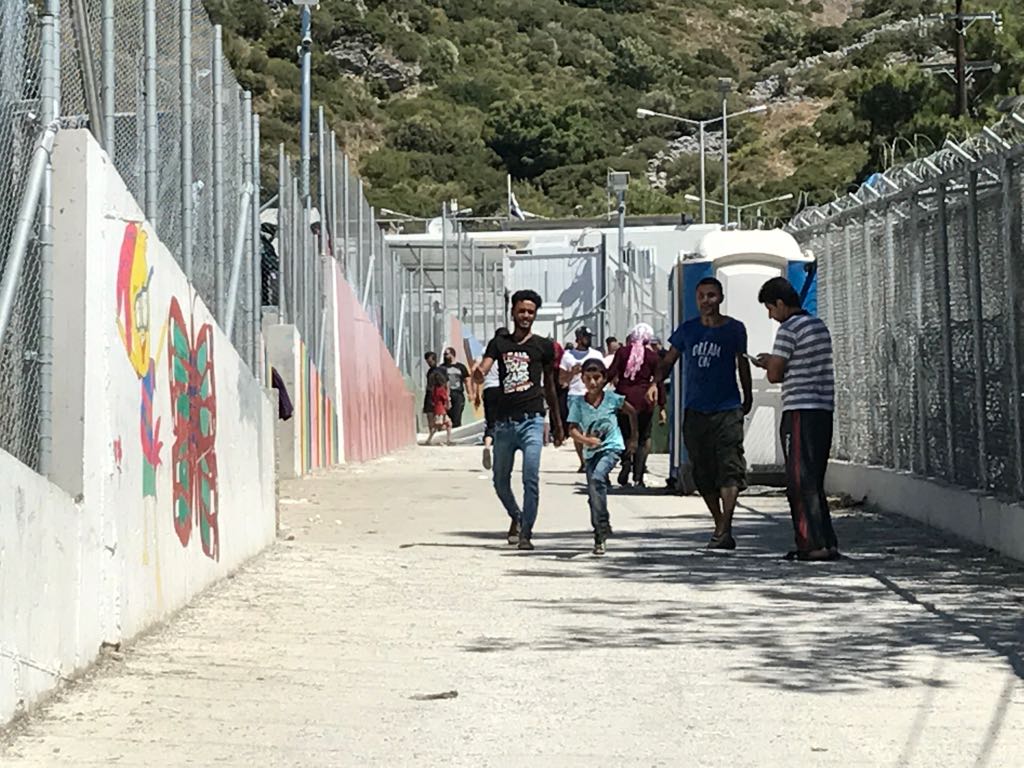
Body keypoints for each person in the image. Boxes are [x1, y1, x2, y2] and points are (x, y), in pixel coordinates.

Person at [655, 277, 753, 549]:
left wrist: (748, 395)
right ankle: (719, 521)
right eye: (701, 296)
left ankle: (726, 527)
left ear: (720, 298)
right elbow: (668, 361)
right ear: (696, 299)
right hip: (696, 409)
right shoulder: (687, 331)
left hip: (727, 407)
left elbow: (741, 363)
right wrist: (656, 385)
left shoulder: (734, 329)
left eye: (712, 295)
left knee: (730, 466)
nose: (706, 301)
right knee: (702, 469)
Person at [754, 277, 839, 562]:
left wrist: (768, 363)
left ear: (780, 303)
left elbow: (776, 374)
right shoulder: (817, 325)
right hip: (822, 408)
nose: (770, 315)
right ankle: (826, 540)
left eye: (769, 308)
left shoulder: (788, 329)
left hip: (799, 409)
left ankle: (810, 543)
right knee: (814, 478)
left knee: (799, 480)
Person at [474, 290, 564, 550]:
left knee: (530, 478)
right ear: (513, 312)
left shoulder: (543, 346)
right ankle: (516, 515)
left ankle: (526, 533)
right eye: (522, 311)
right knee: (500, 481)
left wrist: (558, 425)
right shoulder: (499, 343)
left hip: (532, 421)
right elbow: (485, 367)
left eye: (531, 312)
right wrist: (479, 375)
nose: (526, 316)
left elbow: (550, 386)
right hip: (504, 423)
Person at [567, 359, 638, 556]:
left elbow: (631, 413)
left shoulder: (612, 399)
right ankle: (599, 534)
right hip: (590, 453)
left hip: (611, 448)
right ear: (582, 379)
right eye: (588, 378)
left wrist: (633, 439)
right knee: (593, 494)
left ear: (604, 379)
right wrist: (585, 440)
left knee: (598, 478)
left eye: (597, 378)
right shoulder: (578, 404)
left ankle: (603, 520)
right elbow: (572, 428)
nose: (593, 383)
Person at [607, 322, 665, 488]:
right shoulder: (653, 356)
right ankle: (638, 475)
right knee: (644, 437)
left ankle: (626, 462)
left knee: (625, 434)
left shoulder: (622, 352)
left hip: (623, 399)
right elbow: (658, 382)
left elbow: (611, 372)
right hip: (645, 399)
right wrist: (662, 406)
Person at [559, 326, 605, 472]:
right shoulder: (568, 356)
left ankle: (593, 457)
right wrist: (572, 372)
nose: (589, 340)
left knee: (594, 427)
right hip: (575, 394)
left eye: (590, 337)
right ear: (578, 338)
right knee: (576, 429)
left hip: (593, 394)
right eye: (586, 337)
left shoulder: (596, 355)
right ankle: (583, 461)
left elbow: (605, 374)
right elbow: (561, 380)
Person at [473, 327, 508, 470]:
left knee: (490, 422)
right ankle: (501, 454)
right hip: (503, 389)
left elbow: (477, 370)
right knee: (504, 422)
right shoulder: (508, 351)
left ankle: (487, 445)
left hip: (488, 388)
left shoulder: (485, 352)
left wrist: (476, 393)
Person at [442, 347, 470, 428]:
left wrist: (470, 393)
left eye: (447, 354)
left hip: (458, 394)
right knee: (447, 417)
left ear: (452, 354)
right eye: (444, 354)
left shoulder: (461, 367)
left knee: (457, 415)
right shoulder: (442, 368)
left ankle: (456, 430)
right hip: (446, 394)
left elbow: (467, 380)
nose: (445, 356)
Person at [425, 367, 453, 446]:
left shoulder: (434, 389)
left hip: (438, 408)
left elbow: (434, 400)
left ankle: (447, 440)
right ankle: (447, 440)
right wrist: (448, 403)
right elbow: (445, 398)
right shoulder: (441, 389)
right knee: (442, 425)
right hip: (441, 409)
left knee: (447, 424)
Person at [422, 351, 443, 425]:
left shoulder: (439, 371)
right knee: (430, 416)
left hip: (437, 396)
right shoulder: (429, 371)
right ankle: (432, 433)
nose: (428, 363)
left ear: (434, 360)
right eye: (427, 362)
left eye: (430, 361)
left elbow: (444, 384)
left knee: (439, 420)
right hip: (429, 395)